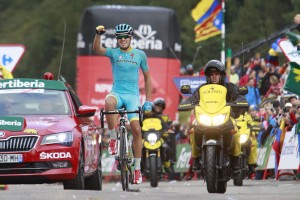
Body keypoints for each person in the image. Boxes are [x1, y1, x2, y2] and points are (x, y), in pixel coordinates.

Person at [93, 23, 152, 184]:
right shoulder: (114, 52)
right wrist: (98, 34)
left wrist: (148, 100)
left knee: (137, 131)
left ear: (131, 37)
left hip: (132, 97)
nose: (123, 39)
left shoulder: (140, 55)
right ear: (117, 39)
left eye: (126, 36)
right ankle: (113, 138)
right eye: (119, 37)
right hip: (117, 92)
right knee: (108, 101)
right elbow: (97, 49)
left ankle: (138, 170)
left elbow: (147, 77)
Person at [180, 60, 246, 172]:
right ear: (207, 77)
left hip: (225, 118)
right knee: (193, 131)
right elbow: (193, 98)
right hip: (205, 118)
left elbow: (239, 96)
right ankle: (196, 159)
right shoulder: (202, 89)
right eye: (211, 75)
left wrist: (240, 101)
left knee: (236, 131)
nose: (214, 77)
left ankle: (235, 160)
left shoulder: (230, 87)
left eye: (216, 74)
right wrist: (186, 103)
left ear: (222, 75)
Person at [144, 97, 176, 176]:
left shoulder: (159, 118)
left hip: (158, 139)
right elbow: (137, 128)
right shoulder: (142, 119)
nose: (150, 112)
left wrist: (167, 130)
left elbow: (166, 126)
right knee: (139, 148)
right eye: (148, 111)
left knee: (166, 147)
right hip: (146, 140)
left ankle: (167, 163)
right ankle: (138, 166)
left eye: (152, 110)